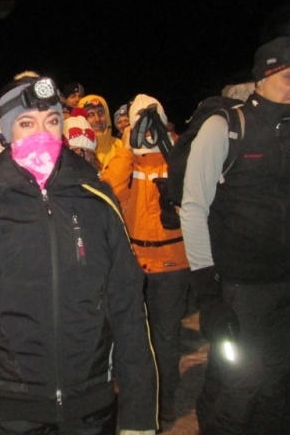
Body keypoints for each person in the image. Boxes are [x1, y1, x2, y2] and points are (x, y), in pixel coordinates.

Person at [0, 76, 158, 435]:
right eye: (27, 123)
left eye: (53, 121)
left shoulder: (97, 202)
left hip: (92, 406)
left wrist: (139, 417)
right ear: (7, 131)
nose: (42, 134)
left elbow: (127, 305)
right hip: (13, 412)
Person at [180, 36, 290, 434]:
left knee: (278, 384)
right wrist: (208, 294)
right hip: (239, 288)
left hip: (288, 283)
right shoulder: (224, 127)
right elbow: (193, 208)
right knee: (236, 386)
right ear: (262, 76)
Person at [124, 94, 189, 430]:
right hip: (134, 262)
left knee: (165, 337)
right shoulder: (129, 158)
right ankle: (138, 400)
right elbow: (110, 190)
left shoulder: (177, 152)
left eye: (152, 122)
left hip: (172, 262)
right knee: (133, 337)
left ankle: (165, 400)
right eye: (141, 122)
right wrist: (128, 146)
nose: (147, 129)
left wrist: (167, 143)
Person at [79, 93, 130, 205]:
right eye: (90, 114)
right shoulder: (77, 152)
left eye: (101, 113)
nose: (97, 119)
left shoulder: (122, 146)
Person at [63, 107, 100, 171]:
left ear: (92, 156)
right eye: (74, 149)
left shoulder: (95, 175)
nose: (81, 156)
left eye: (86, 151)